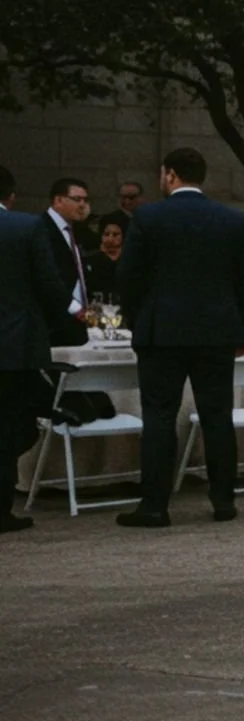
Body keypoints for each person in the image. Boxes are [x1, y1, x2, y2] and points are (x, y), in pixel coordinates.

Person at [115, 148, 244, 528]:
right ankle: (224, 498)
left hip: (162, 329)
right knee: (217, 415)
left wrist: (138, 320)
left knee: (159, 416)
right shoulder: (230, 219)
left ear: (170, 175)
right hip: (216, 330)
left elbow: (129, 276)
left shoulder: (148, 217)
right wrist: (243, 329)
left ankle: (154, 504)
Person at [0, 165, 69, 532]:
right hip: (14, 344)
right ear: (10, 196)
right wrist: (69, 317)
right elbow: (48, 283)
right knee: (13, 423)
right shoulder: (26, 227)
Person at [37, 177, 93, 347]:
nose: (82, 205)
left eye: (85, 200)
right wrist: (74, 308)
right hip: (52, 321)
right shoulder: (39, 228)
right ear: (58, 200)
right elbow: (45, 276)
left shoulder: (76, 229)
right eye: (77, 199)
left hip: (78, 321)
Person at [83, 214, 127, 302]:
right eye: (106, 234)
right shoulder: (89, 261)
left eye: (115, 234)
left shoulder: (130, 261)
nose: (110, 239)